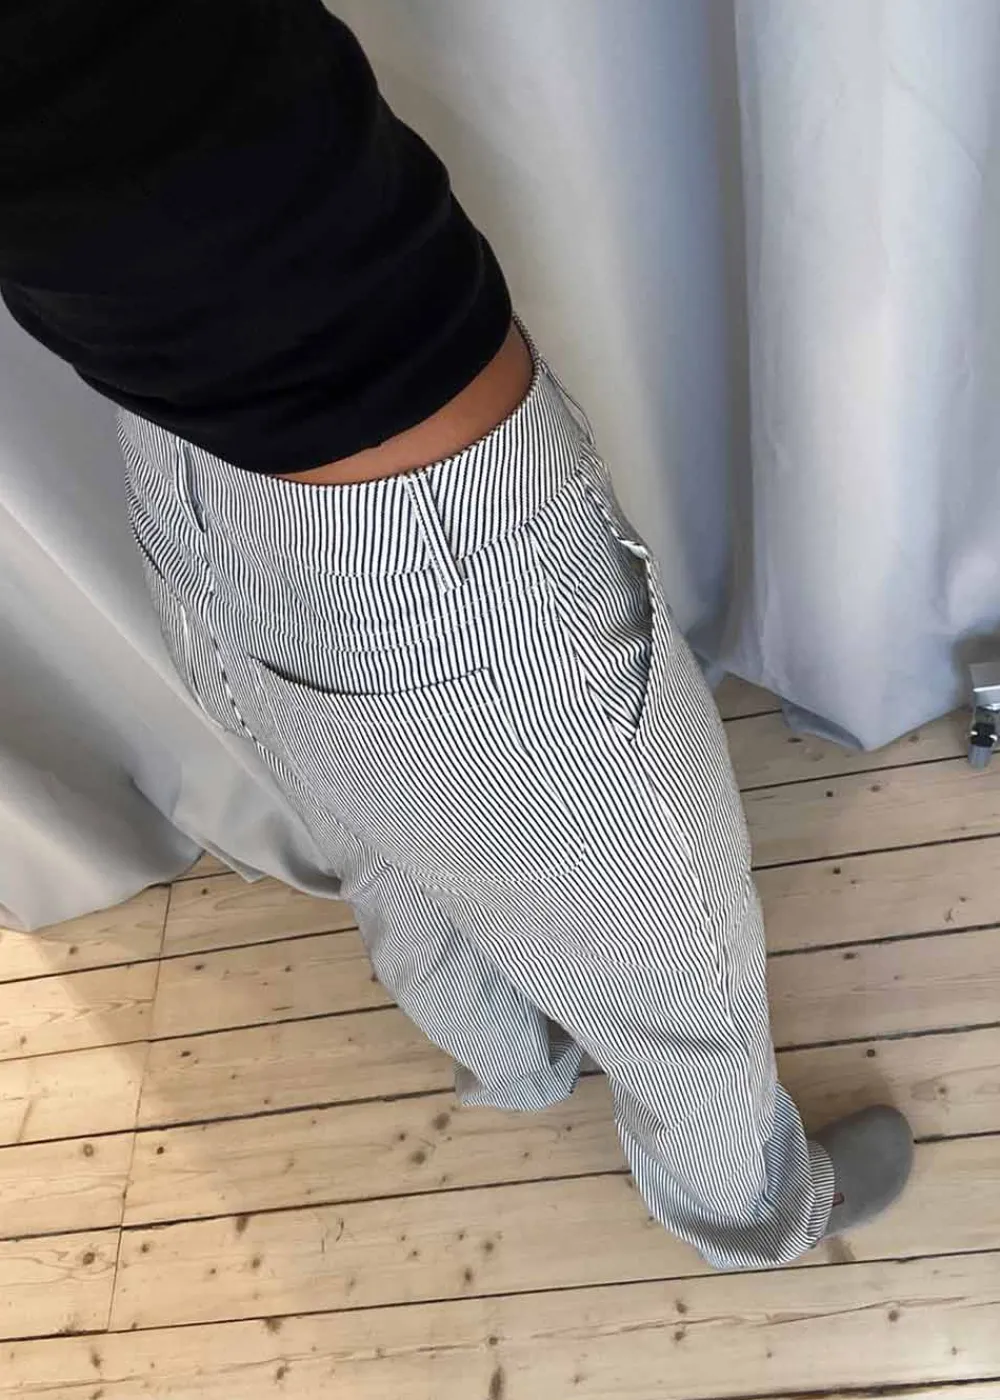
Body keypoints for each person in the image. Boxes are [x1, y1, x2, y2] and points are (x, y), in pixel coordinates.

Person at [0, 1, 912, 1270]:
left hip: (181, 426)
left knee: (366, 806)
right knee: (656, 920)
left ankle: (506, 1049)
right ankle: (747, 1203)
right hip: (408, 492)